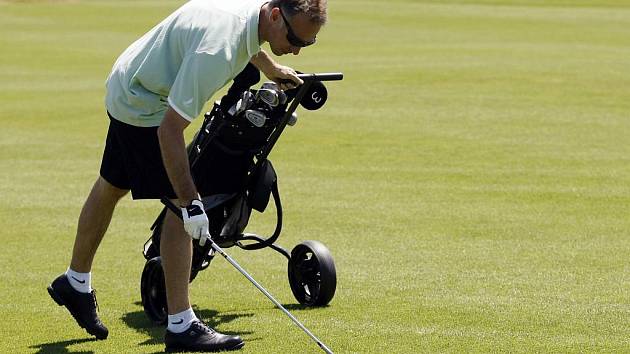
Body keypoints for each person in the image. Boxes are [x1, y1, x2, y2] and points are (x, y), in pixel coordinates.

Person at [46, 0, 327, 352]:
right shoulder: (218, 51)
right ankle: (181, 326)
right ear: (274, 14)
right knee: (181, 209)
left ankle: (75, 281)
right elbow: (170, 130)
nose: (298, 50)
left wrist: (269, 66)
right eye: (294, 38)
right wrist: (193, 203)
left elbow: (249, 41)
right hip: (142, 101)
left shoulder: (252, 14)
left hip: (130, 77)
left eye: (308, 44)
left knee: (113, 184)